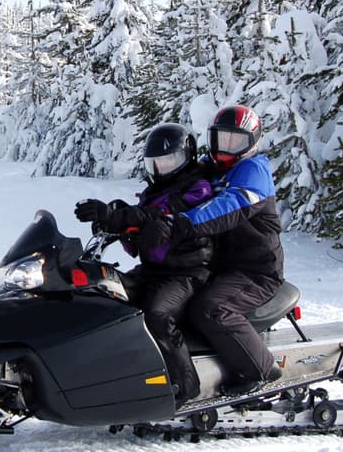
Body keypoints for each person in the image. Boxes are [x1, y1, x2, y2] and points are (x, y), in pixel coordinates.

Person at [144, 105, 285, 396]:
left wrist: (179, 224)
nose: (225, 147)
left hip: (255, 271)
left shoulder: (254, 171)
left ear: (252, 142)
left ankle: (259, 370)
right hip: (220, 266)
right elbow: (178, 189)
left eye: (235, 141)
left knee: (211, 308)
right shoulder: (212, 167)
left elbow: (228, 206)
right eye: (220, 138)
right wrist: (130, 218)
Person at [74, 123, 212, 406]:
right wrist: (112, 221)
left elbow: (161, 215)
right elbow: (142, 224)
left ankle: (185, 387)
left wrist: (118, 216)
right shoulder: (155, 191)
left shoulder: (198, 188)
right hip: (155, 271)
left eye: (168, 161)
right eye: (155, 163)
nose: (160, 168)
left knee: (157, 314)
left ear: (185, 158)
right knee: (109, 295)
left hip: (187, 273)